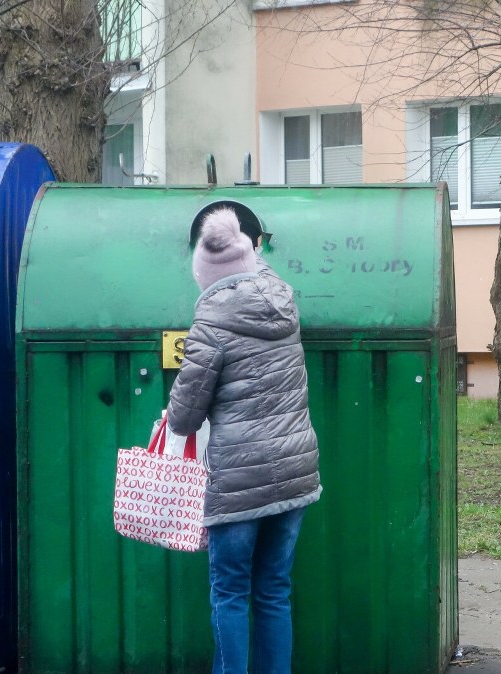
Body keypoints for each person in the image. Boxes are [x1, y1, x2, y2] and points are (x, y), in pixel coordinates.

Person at [167, 207, 322, 674]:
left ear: (205, 273)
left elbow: (184, 416)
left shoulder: (210, 323)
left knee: (230, 592)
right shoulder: (283, 300)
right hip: (295, 469)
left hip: (239, 481)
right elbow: (256, 268)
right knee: (274, 588)